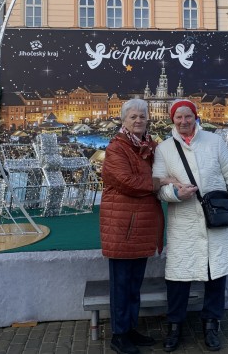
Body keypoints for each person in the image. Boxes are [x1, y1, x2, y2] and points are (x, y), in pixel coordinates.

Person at [153, 99, 228, 352]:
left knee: (216, 274)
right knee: (178, 277)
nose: (183, 121)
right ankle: (175, 326)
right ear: (172, 120)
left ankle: (211, 324)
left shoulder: (214, 142)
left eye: (188, 116)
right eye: (178, 117)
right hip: (183, 222)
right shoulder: (164, 149)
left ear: (195, 117)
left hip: (216, 219)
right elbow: (159, 187)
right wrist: (176, 193)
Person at [99, 98, 178, 354]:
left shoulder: (151, 146)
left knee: (133, 284)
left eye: (142, 116)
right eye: (133, 116)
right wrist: (159, 181)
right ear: (123, 120)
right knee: (122, 284)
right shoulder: (116, 149)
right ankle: (119, 335)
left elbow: (167, 163)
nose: (138, 120)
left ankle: (129, 328)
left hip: (140, 225)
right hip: (123, 226)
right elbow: (127, 181)